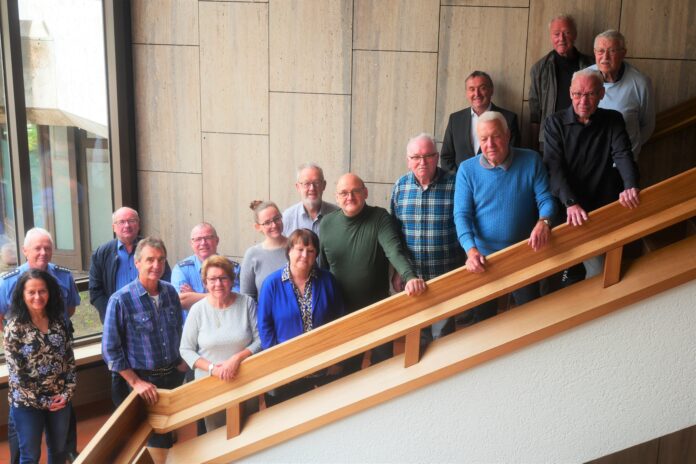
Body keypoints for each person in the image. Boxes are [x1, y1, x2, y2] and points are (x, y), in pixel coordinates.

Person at [454, 111, 556, 322]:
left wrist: (543, 221)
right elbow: (462, 215)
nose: (490, 144)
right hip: (483, 259)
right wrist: (470, 250)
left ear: (507, 135)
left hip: (524, 253)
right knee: (483, 322)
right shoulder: (466, 170)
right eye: (484, 139)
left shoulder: (531, 160)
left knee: (530, 318)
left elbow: (546, 199)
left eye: (495, 136)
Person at [319, 173, 426, 371]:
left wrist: (409, 277)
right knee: (346, 371)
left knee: (383, 366)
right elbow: (322, 271)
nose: (349, 197)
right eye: (343, 193)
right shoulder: (326, 224)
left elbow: (394, 251)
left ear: (365, 193)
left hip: (378, 309)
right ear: (336, 197)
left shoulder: (380, 218)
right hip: (342, 314)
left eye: (355, 191)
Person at [543, 69, 640, 279]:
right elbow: (554, 166)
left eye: (590, 94)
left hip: (599, 204)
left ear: (602, 94)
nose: (583, 101)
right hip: (566, 205)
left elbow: (623, 154)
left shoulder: (613, 119)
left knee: (598, 271)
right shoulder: (554, 123)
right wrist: (570, 203)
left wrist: (630, 186)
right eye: (578, 94)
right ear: (570, 93)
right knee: (563, 274)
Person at [0, 228, 80, 463]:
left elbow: (69, 361)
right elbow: (18, 375)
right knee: (28, 453)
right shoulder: (9, 287)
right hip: (28, 401)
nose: (37, 296)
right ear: (25, 251)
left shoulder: (59, 319)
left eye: (47, 247)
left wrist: (65, 394)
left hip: (59, 398)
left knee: (59, 451)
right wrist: (46, 401)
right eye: (37, 248)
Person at [102, 236, 187, 449]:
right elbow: (110, 349)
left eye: (161, 259)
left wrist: (182, 362)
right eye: (150, 260)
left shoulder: (170, 292)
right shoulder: (120, 300)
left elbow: (178, 328)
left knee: (169, 433)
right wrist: (135, 382)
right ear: (137, 263)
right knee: (153, 441)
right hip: (143, 383)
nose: (156, 265)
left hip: (173, 376)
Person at [258, 229, 344, 404]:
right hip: (286, 371)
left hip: (323, 367)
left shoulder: (327, 280)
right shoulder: (271, 284)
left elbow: (340, 320)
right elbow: (265, 328)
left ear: (316, 255)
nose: (305, 255)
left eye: (311, 251)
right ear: (289, 251)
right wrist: (277, 364)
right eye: (300, 249)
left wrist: (337, 360)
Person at [390, 133, 462, 342]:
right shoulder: (400, 187)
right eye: (416, 157)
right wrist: (397, 271)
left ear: (437, 157)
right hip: (413, 279)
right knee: (417, 339)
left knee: (444, 338)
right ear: (408, 161)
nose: (422, 162)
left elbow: (465, 224)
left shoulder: (455, 185)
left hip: (447, 276)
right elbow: (395, 233)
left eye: (428, 155)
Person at [179, 255, 261, 431]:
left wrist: (236, 359)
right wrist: (212, 369)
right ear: (205, 283)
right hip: (210, 385)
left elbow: (260, 339)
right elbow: (186, 349)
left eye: (223, 278)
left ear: (231, 280)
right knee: (217, 438)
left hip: (246, 380)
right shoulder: (197, 310)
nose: (218, 284)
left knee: (251, 431)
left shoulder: (246, 303)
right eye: (212, 279)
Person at [89, 207, 172, 323]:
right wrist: (111, 313)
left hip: (153, 315)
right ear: (114, 227)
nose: (127, 225)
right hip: (118, 318)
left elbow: (166, 280)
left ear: (138, 225)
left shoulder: (152, 248)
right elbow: (95, 291)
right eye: (121, 222)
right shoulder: (101, 253)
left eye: (131, 221)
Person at [528, 14, 594, 152]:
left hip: (586, 137)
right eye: (556, 34)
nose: (561, 39)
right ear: (551, 37)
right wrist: (534, 148)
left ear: (575, 35)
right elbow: (535, 113)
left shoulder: (591, 66)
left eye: (567, 33)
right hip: (550, 140)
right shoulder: (539, 69)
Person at [589, 30, 655, 160]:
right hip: (590, 161)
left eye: (612, 51)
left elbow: (647, 125)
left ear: (623, 53)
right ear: (594, 52)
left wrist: (629, 149)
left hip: (623, 164)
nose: (605, 57)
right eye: (600, 51)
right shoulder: (582, 78)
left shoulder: (640, 83)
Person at [441, 71, 521, 173]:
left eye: (482, 88)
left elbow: (513, 157)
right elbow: (446, 157)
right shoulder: (455, 119)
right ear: (467, 93)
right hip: (461, 184)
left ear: (491, 90)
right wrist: (461, 180)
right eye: (472, 89)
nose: (477, 94)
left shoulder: (509, 119)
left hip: (496, 183)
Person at [172, 222, 240, 315]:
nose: (203, 243)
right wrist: (220, 294)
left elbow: (236, 299)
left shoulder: (233, 268)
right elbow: (181, 301)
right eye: (198, 239)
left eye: (208, 238)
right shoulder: (181, 269)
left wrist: (193, 295)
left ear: (217, 240)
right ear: (192, 243)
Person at [240, 201, 288, 300]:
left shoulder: (297, 247)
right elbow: (247, 297)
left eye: (277, 219)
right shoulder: (252, 254)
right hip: (264, 314)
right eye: (267, 223)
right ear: (258, 227)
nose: (274, 225)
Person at [282, 163, 339, 236]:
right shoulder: (287, 218)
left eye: (317, 183)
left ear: (324, 185)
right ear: (298, 187)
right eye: (306, 183)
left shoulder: (337, 215)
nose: (312, 188)